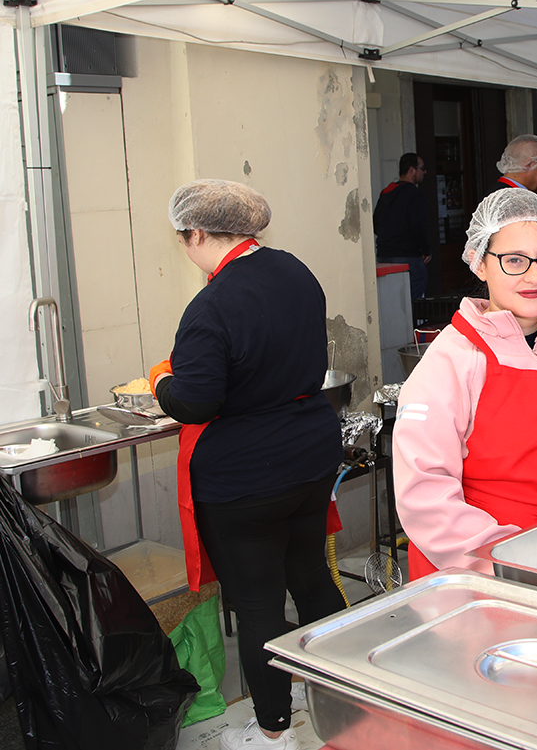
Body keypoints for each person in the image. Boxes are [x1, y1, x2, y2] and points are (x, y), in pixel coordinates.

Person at [148, 180, 345, 750]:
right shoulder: (294, 271)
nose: (186, 248)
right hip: (308, 456)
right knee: (310, 578)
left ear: (200, 233)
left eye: (184, 238)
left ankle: (273, 731)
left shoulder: (210, 306)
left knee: (259, 605)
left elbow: (197, 400)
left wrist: (163, 381)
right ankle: (339, 696)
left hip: (245, 478)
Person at [391, 188, 537, 577]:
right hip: (482, 569)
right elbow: (424, 494)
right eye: (514, 260)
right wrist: (508, 560)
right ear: (480, 264)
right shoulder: (454, 359)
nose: (534, 276)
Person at [374, 152, 432, 301]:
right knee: (412, 298)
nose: (424, 172)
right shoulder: (415, 194)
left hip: (383, 256)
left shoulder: (386, 193)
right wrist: (425, 250)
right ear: (411, 170)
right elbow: (418, 225)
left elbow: (375, 223)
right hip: (408, 256)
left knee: (389, 300)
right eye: (422, 168)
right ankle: (409, 323)